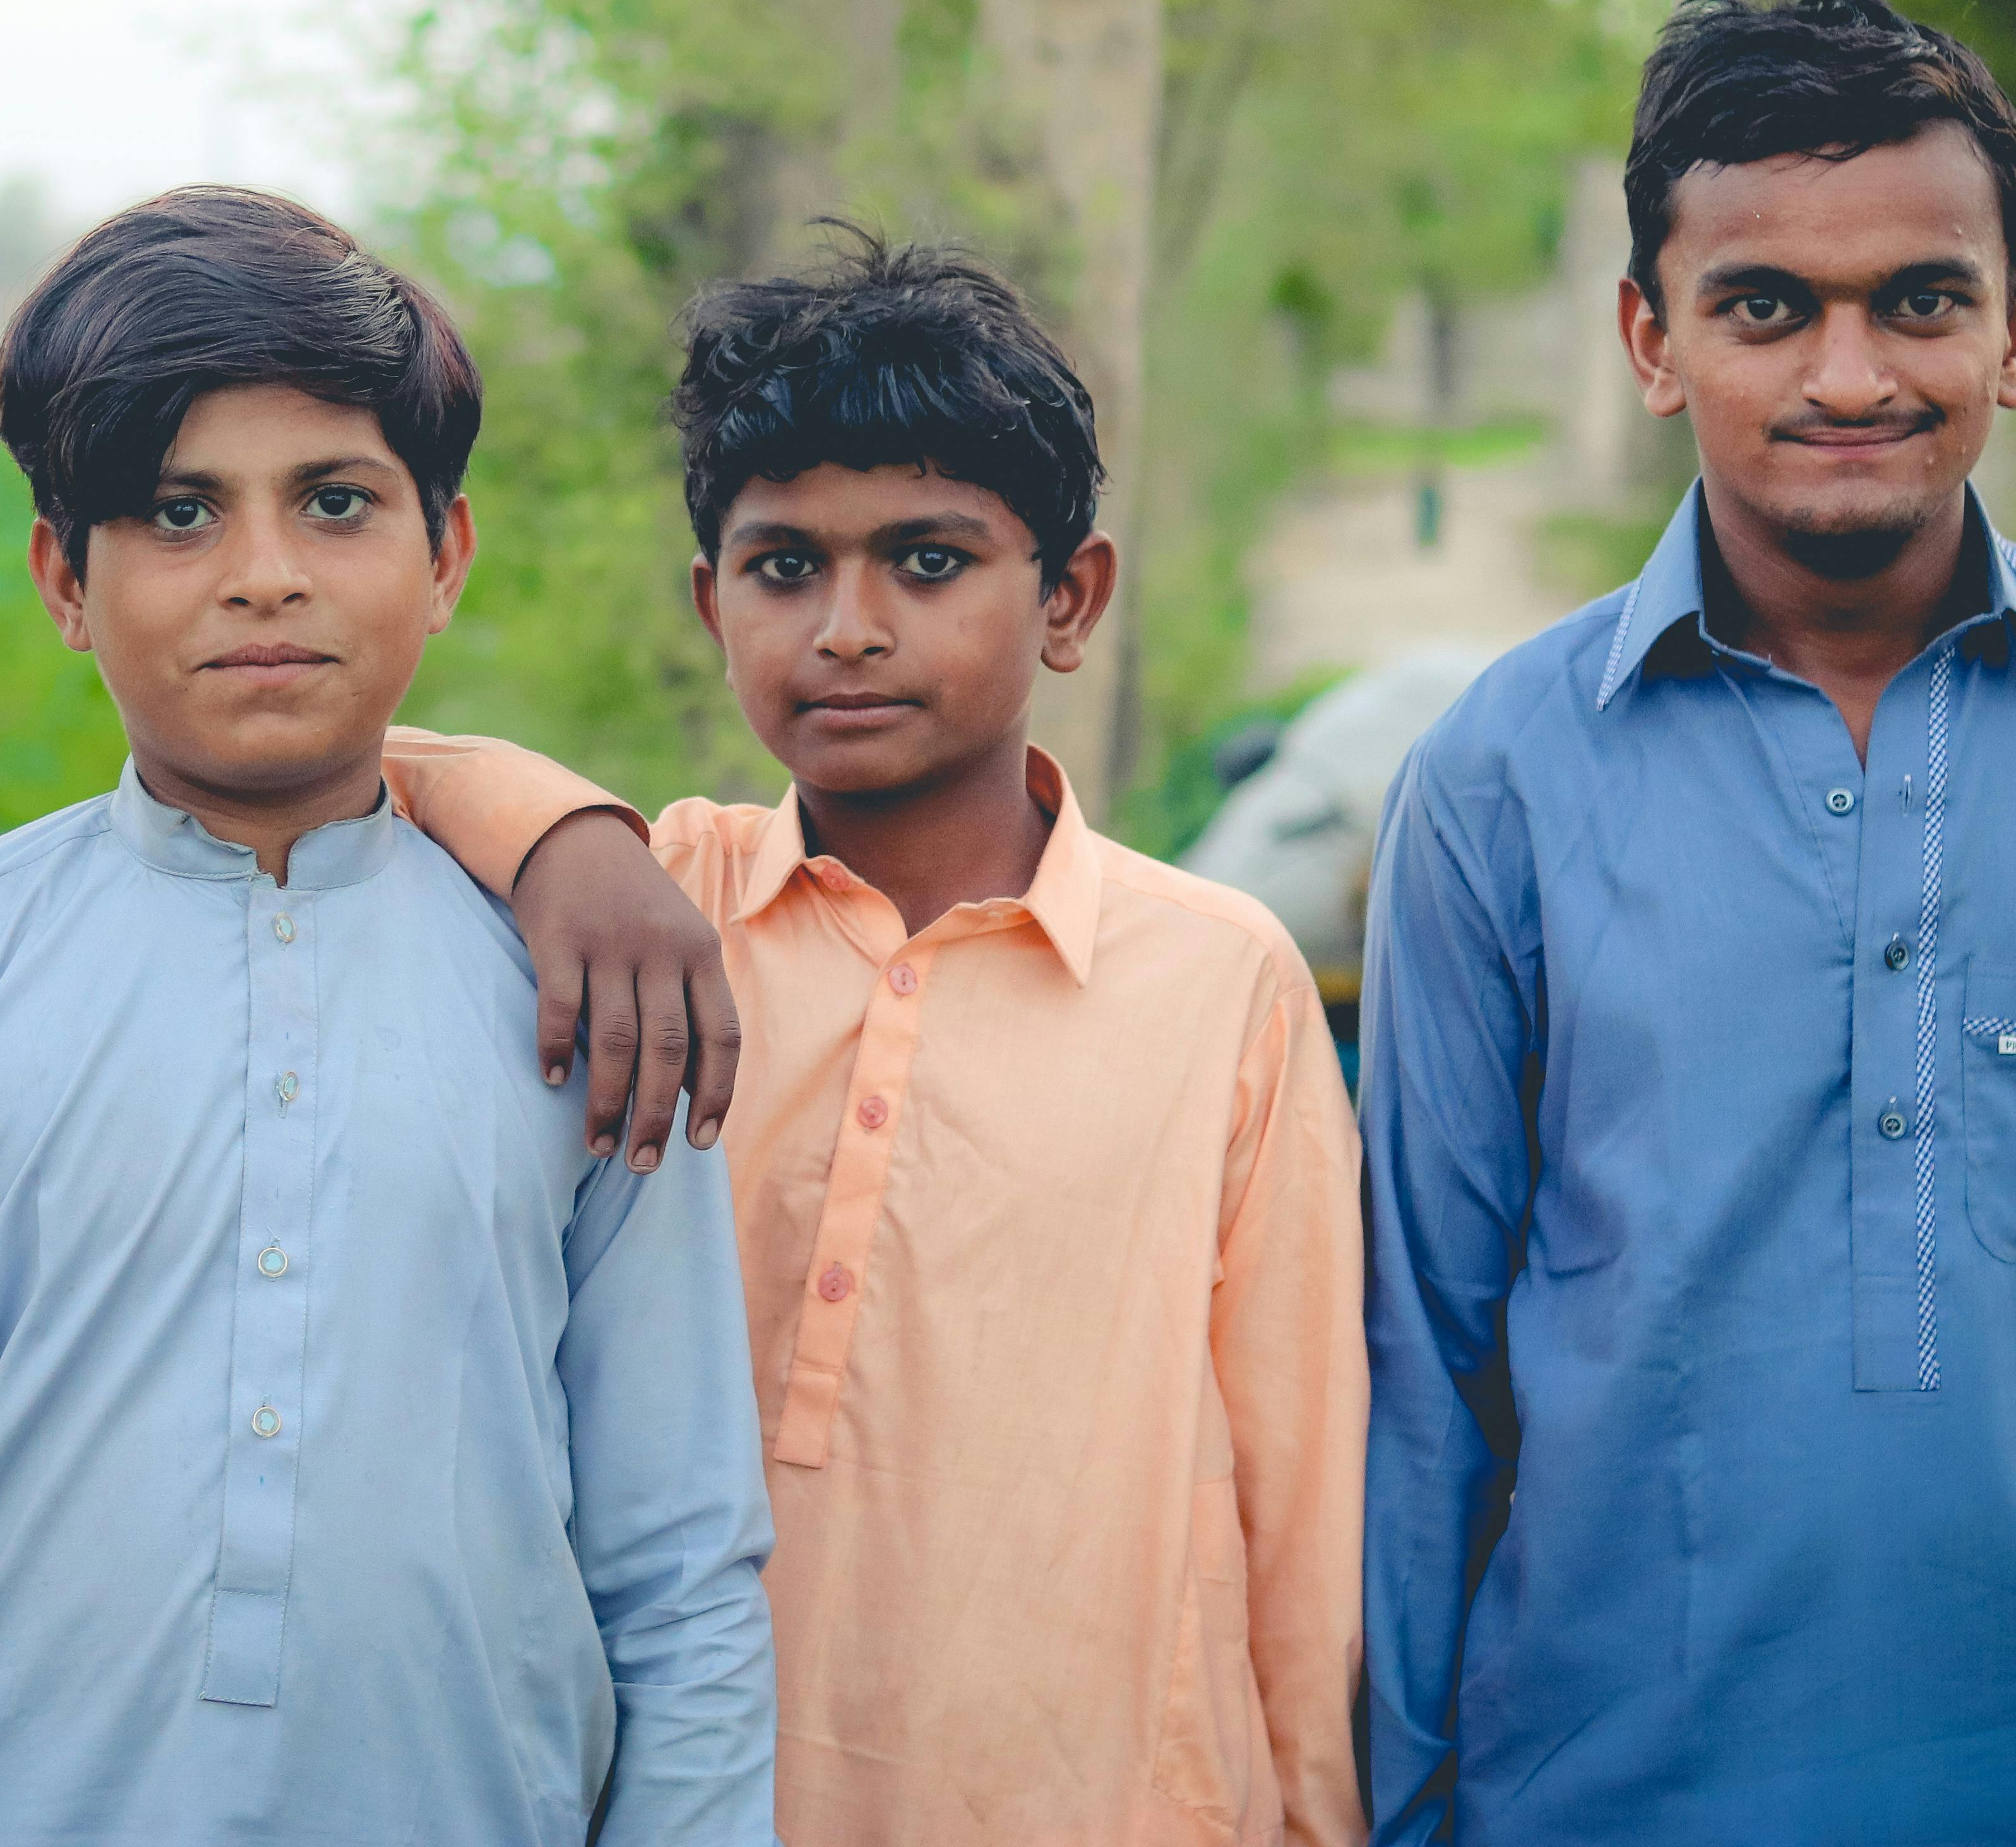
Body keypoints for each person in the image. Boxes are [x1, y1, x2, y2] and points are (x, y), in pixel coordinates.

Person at [1358, 0, 2016, 1841]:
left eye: (1921, 298)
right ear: (1650, 338)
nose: (1851, 375)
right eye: (1767, 306)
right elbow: (1423, 1381)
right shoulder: (1500, 781)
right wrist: (1415, 1806)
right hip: (1606, 1797)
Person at [0, 186, 778, 1846]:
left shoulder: (594, 993)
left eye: (337, 502)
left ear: (447, 559)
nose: (264, 576)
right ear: (65, 581)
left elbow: (682, 1571)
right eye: (178, 513)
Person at [385, 232, 1369, 1847]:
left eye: (928, 561)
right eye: (785, 566)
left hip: (1101, 1792)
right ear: (712, 601)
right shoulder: (659, 913)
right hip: (702, 1793)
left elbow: (1306, 1481)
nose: (847, 624)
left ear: (1070, 597)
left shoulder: (1219, 977)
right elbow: (368, 755)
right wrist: (567, 830)